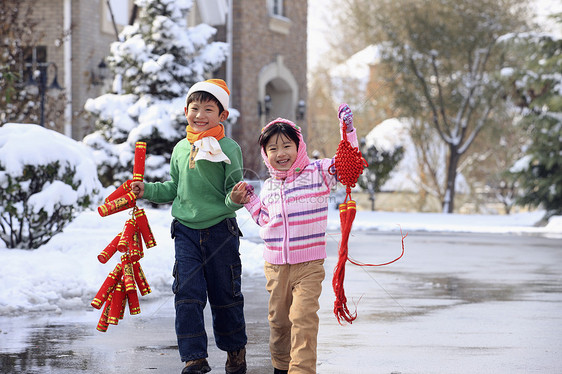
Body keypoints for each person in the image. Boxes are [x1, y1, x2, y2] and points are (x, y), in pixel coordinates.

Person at [230, 104, 358, 374]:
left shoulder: (319, 173)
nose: (280, 153)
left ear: (299, 146)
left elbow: (349, 164)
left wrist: (347, 130)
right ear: (265, 154)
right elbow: (265, 219)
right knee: (279, 323)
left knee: (302, 319)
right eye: (272, 149)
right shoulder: (269, 186)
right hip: (275, 267)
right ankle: (281, 367)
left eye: (286, 146)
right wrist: (249, 201)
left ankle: (301, 370)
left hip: (308, 266)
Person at [131, 79, 247, 374]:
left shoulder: (229, 148)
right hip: (185, 232)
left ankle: (235, 351)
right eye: (195, 108)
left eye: (209, 109)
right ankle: (194, 357)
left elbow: (234, 192)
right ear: (186, 111)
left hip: (221, 231)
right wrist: (147, 191)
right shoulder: (181, 148)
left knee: (225, 296)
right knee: (187, 294)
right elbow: (173, 187)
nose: (200, 115)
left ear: (222, 116)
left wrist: (235, 198)